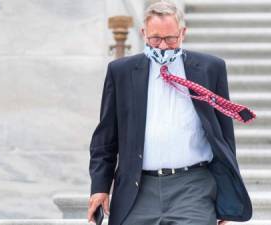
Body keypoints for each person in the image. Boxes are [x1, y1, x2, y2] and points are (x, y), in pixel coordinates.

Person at [87, 1, 252, 225]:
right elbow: (105, 138)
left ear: (182, 33)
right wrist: (99, 187)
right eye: (155, 38)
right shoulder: (121, 72)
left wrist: (225, 199)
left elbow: (223, 138)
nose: (163, 46)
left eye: (170, 38)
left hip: (193, 186)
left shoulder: (210, 68)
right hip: (138, 189)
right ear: (143, 33)